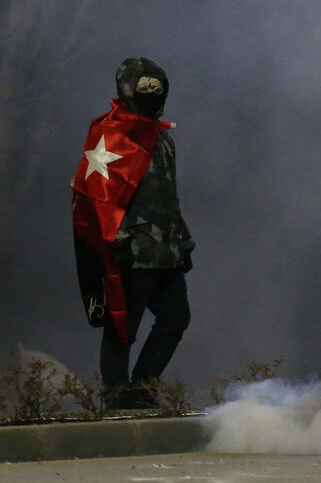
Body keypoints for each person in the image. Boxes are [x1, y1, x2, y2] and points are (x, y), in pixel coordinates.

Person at [71, 57, 194, 409]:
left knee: (175, 318)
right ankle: (115, 398)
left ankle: (140, 391)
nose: (152, 95)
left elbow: (168, 195)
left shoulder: (163, 139)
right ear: (126, 89)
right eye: (145, 88)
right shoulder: (112, 134)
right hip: (132, 251)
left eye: (157, 88)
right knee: (122, 327)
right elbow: (94, 195)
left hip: (166, 252)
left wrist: (181, 242)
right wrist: (118, 242)